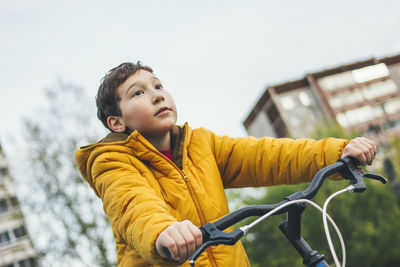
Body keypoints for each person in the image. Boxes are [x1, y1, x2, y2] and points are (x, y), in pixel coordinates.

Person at [75, 62, 377, 267]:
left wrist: (337, 152)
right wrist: (163, 232)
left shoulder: (201, 145)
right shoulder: (112, 163)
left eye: (158, 86)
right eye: (138, 93)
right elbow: (132, 205)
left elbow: (266, 155)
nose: (156, 96)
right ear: (116, 122)